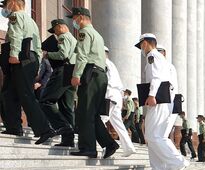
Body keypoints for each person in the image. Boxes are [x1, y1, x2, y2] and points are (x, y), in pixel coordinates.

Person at [1, 0, 58, 143]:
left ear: (13, 2)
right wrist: (37, 63)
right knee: (9, 93)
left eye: (5, 4)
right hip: (30, 58)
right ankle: (14, 127)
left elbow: (16, 36)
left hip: (20, 57)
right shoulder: (31, 21)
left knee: (25, 95)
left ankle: (45, 129)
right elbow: (38, 45)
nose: (4, 8)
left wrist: (14, 54)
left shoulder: (15, 16)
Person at [135, 33, 188, 170]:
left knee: (154, 135)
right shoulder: (159, 59)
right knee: (153, 135)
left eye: (140, 45)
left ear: (145, 43)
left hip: (158, 99)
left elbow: (156, 77)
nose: (141, 48)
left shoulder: (152, 56)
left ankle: (176, 161)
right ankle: (158, 168)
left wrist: (152, 95)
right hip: (162, 99)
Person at [68, 7, 118, 158]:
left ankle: (88, 148)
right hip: (100, 75)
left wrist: (76, 75)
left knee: (84, 112)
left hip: (90, 74)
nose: (73, 21)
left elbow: (82, 56)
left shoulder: (84, 33)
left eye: (74, 18)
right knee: (94, 114)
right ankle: (109, 144)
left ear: (81, 17)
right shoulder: (97, 34)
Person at [40, 19, 77, 147]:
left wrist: (47, 54)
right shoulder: (73, 39)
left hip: (62, 70)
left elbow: (63, 54)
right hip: (71, 71)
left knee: (45, 100)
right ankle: (68, 140)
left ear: (60, 27)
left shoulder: (63, 37)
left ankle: (62, 126)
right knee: (66, 108)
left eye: (54, 30)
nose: (55, 34)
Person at [101, 47, 136, 157]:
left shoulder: (104, 64)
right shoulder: (112, 64)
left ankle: (104, 145)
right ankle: (129, 147)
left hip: (109, 94)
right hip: (117, 95)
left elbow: (105, 81)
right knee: (118, 123)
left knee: (101, 119)